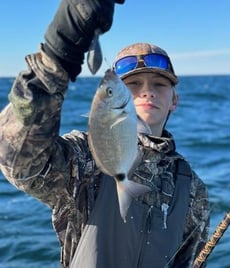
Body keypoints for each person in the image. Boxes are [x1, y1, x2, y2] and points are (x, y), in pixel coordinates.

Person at [0, 0, 210, 267]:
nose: (147, 91)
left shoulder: (193, 188)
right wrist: (59, 52)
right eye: (132, 84)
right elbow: (18, 161)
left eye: (159, 83)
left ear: (174, 101)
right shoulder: (85, 158)